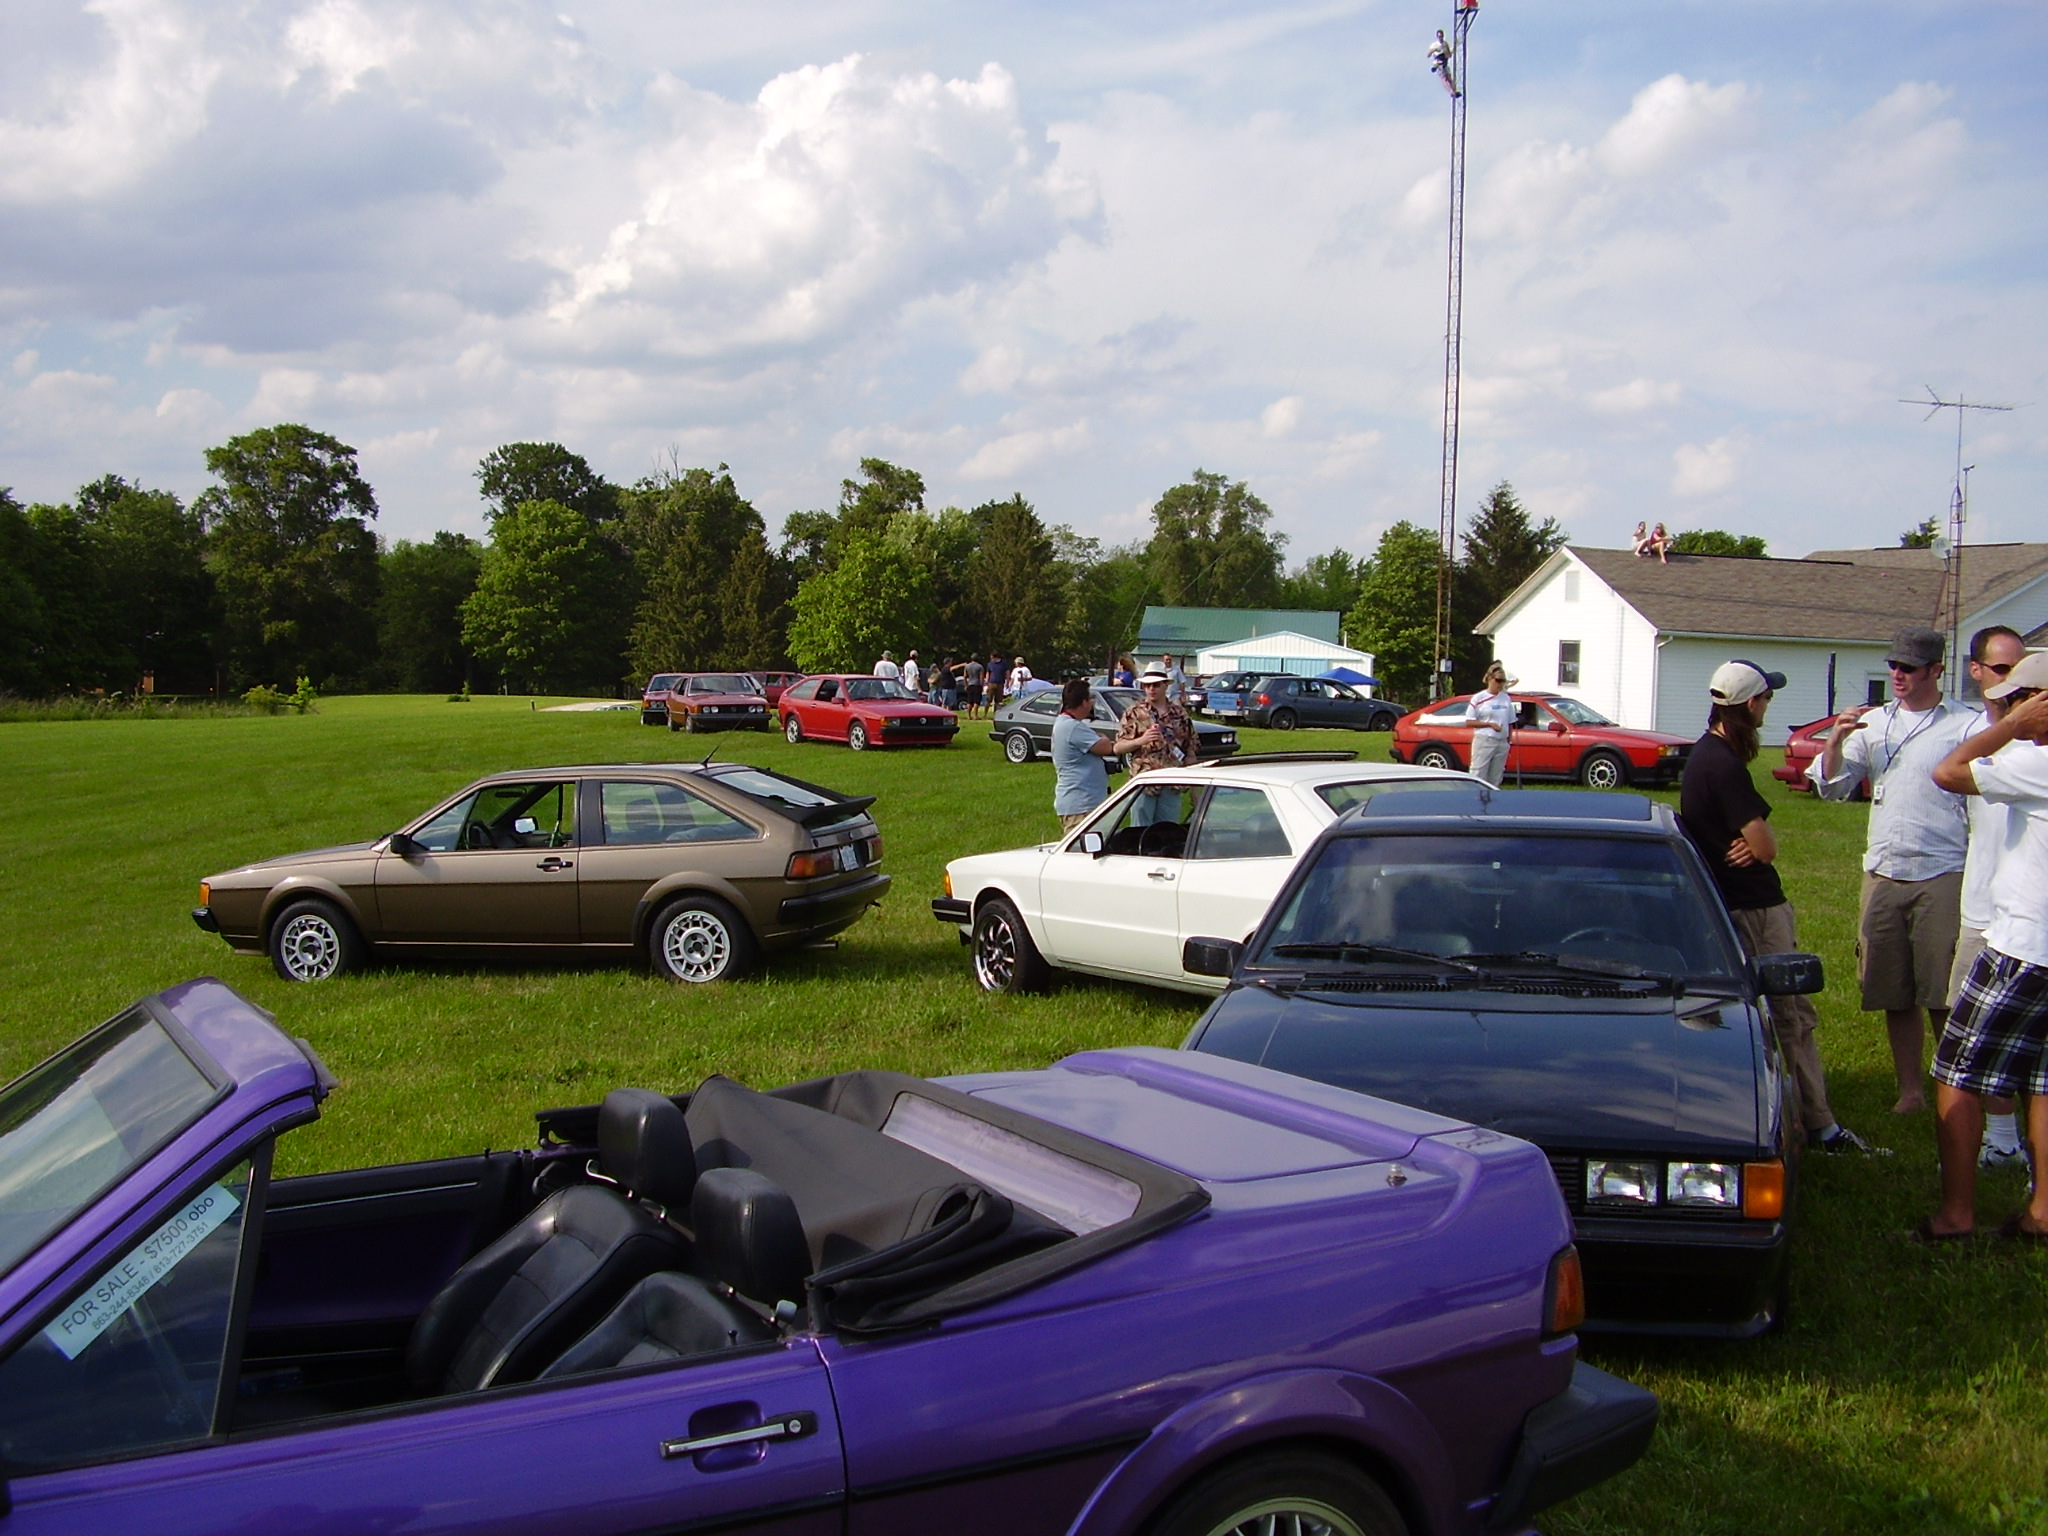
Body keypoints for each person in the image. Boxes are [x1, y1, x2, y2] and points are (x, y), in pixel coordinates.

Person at [1680, 660, 1873, 1153]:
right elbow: (1765, 848)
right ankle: (1819, 1125)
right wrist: (1757, 845)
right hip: (1756, 908)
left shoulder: (1705, 755)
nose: (1768, 707)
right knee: (1791, 1016)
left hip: (1731, 903)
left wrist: (1751, 842)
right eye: (1766, 698)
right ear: (1750, 704)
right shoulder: (1724, 767)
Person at [1814, 625, 1976, 1115]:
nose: (1898, 674)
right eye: (1893, 665)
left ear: (1936, 671)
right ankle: (1911, 1091)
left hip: (1943, 871)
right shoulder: (1875, 723)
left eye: (1909, 667)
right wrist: (1835, 741)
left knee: (1943, 993)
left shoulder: (1964, 726)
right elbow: (1832, 788)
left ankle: (1957, 1092)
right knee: (1893, 990)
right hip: (1884, 871)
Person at [1920, 652, 2048, 1240]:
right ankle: (2041, 1215)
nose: (2004, 711)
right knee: (2042, 1082)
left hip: (2025, 945)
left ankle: (1955, 1216)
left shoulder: (2033, 761)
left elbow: (1948, 771)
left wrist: (2012, 728)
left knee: (1956, 1072)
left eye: (2015, 702)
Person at [1951, 627, 2031, 1169]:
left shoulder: (2034, 747)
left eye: (2019, 670)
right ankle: (2001, 1138)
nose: (2012, 681)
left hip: (2028, 920)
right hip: (1981, 909)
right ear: (1977, 672)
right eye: (2002, 670)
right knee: (1977, 1042)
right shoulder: (1966, 736)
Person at [1053, 680, 1157, 834]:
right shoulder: (1072, 727)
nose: (1092, 703)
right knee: (1083, 847)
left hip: (1084, 803)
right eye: (1090, 698)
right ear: (1083, 702)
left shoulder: (1068, 724)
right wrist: (1105, 738)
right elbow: (1107, 747)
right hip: (1081, 805)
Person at [1118, 667, 1197, 825]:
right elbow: (1118, 747)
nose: (1151, 689)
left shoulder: (1179, 713)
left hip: (1172, 783)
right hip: (1144, 783)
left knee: (1167, 832)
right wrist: (1141, 740)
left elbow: (1190, 750)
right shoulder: (1134, 713)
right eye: (1147, 685)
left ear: (1166, 685)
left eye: (1156, 685)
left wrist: (1195, 791)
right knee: (1140, 831)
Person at [1468, 663, 1517, 787]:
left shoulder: (1506, 698)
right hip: (1485, 740)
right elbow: (1469, 721)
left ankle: (1492, 797)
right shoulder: (1479, 698)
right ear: (1490, 679)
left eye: (1503, 681)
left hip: (1502, 742)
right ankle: (1475, 797)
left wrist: (1508, 742)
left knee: (1496, 777)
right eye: (1498, 680)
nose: (1500, 684)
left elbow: (1510, 722)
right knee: (1478, 774)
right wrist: (1489, 724)